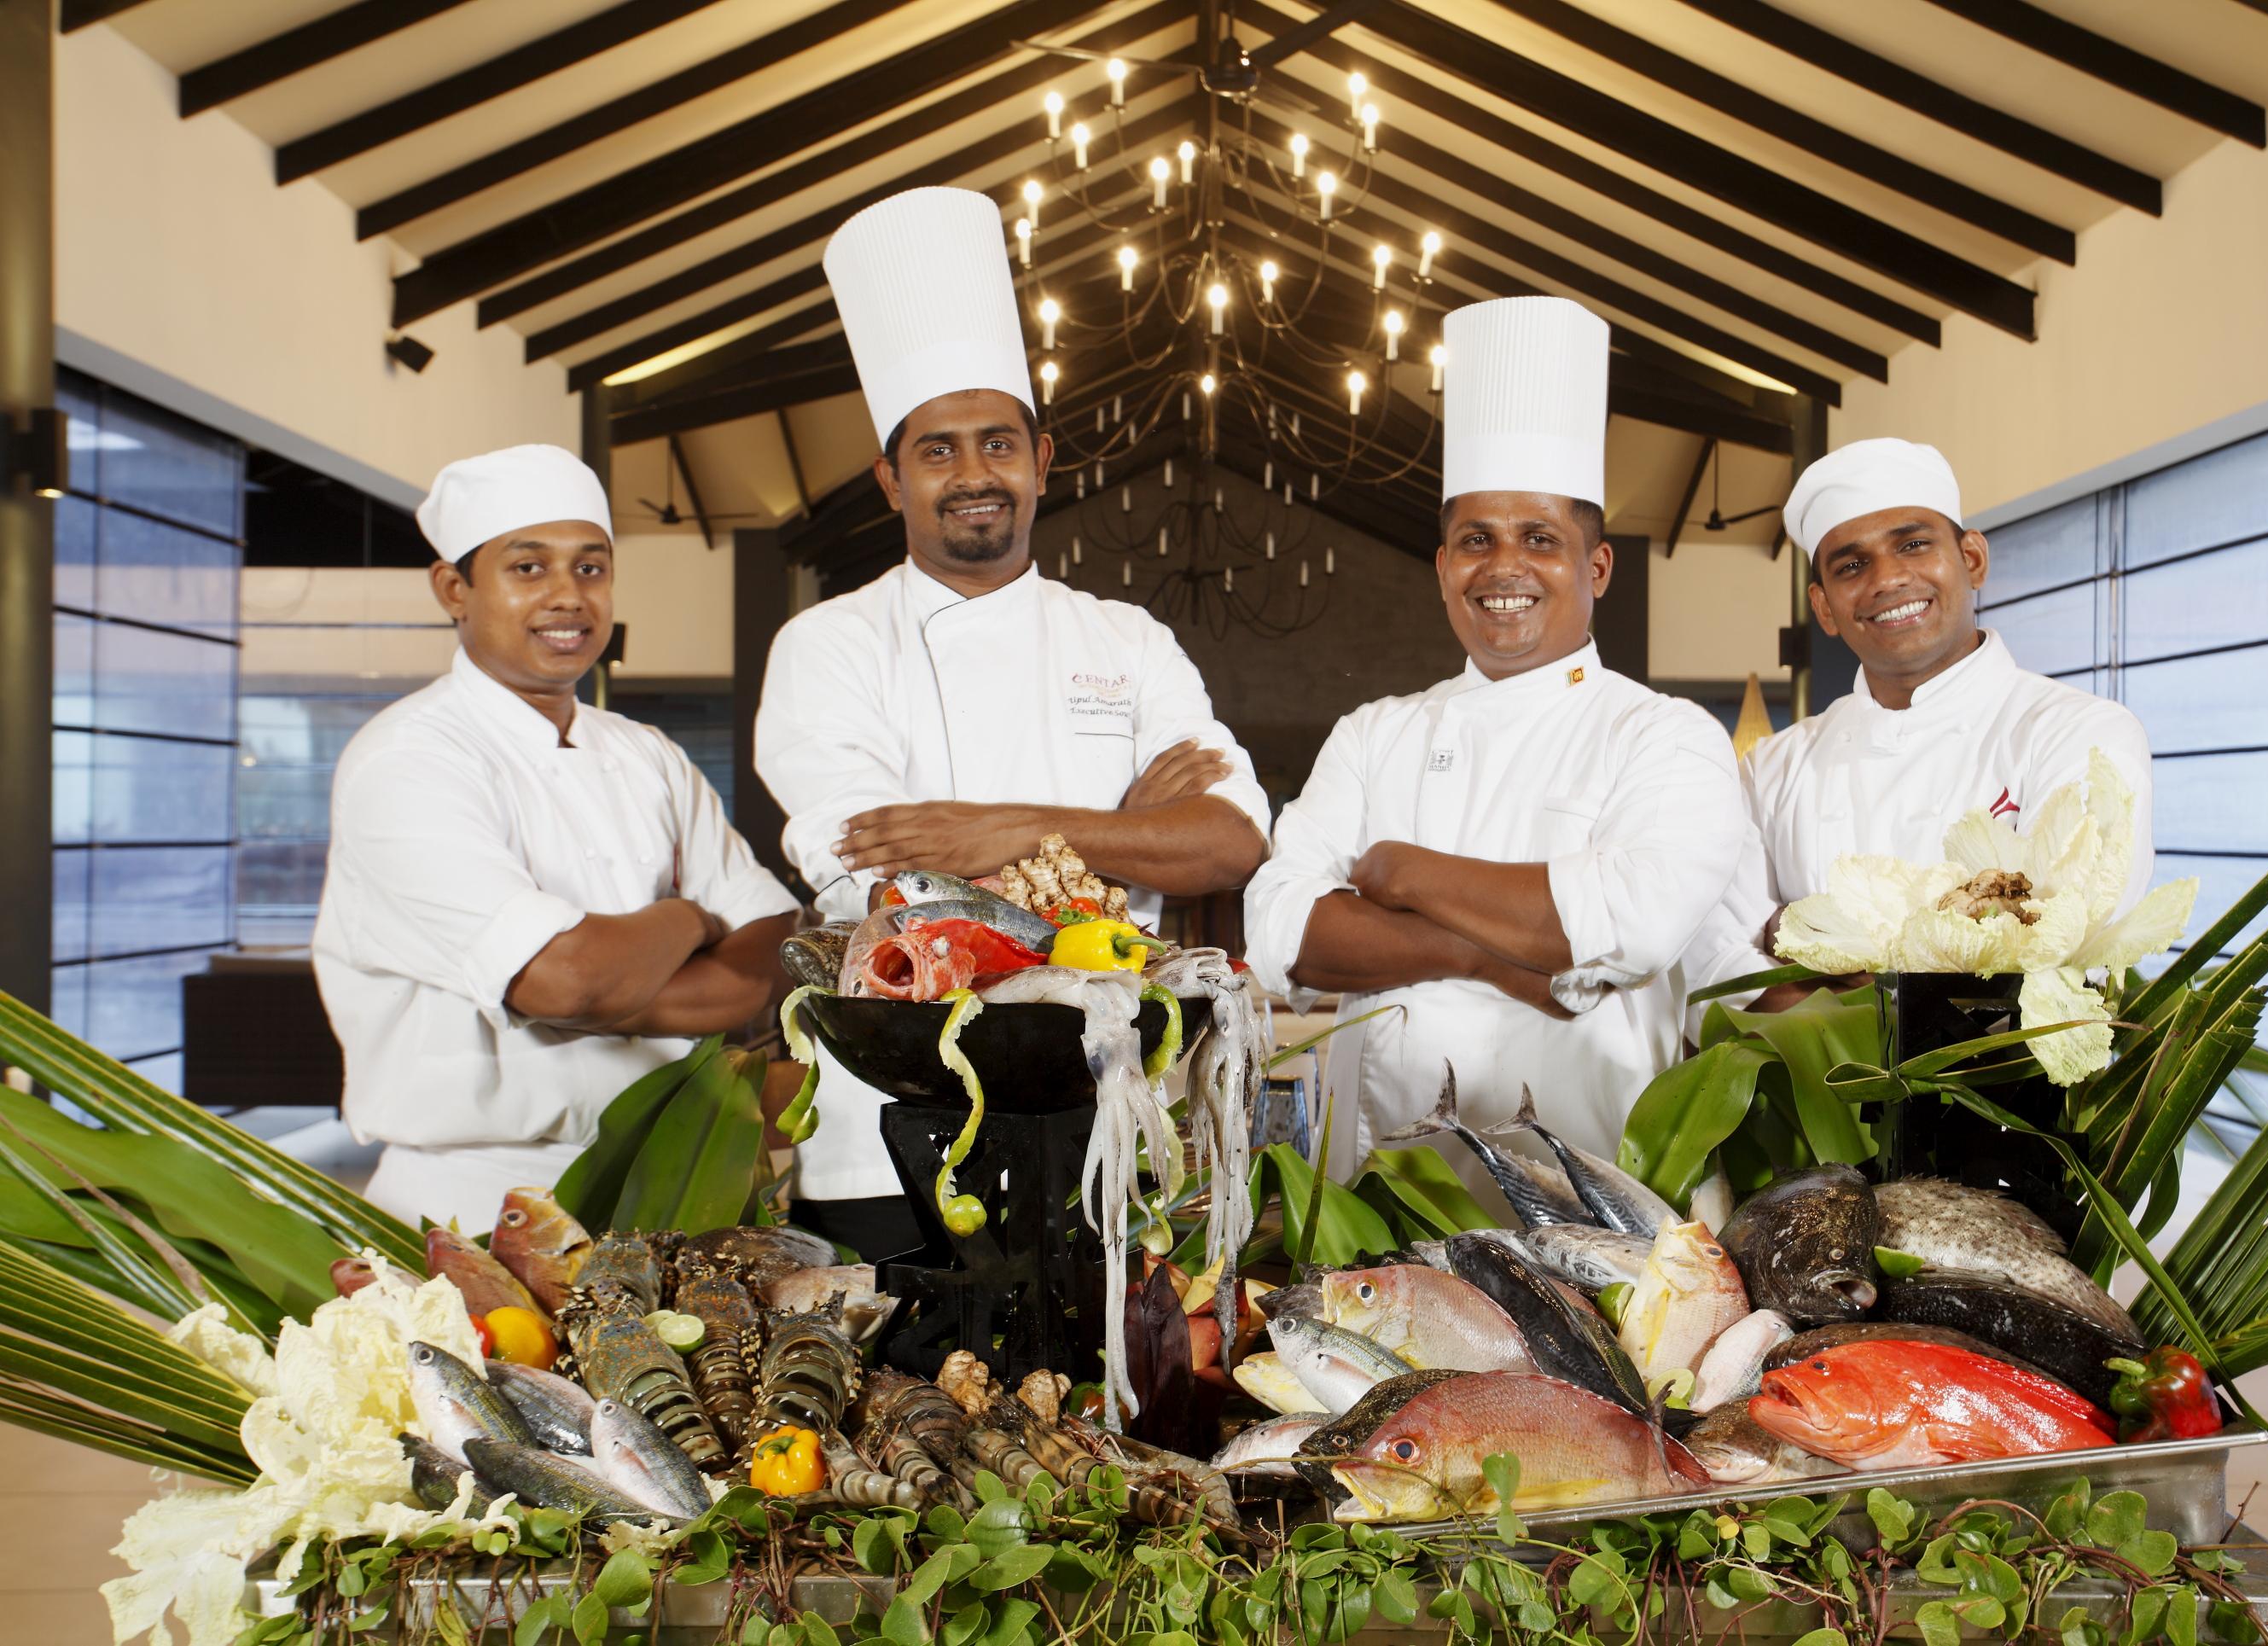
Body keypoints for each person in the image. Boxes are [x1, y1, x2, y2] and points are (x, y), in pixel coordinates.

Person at [755, 188, 1271, 1245]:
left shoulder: (1126, 640)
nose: (972, 475)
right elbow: (886, 897)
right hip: (882, 1141)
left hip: (1108, 1115)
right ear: (890, 479)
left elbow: (1230, 840)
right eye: (937, 451)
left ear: (1041, 462)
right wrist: (1121, 855)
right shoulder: (829, 647)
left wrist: (1008, 834)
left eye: (997, 442)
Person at [1242, 295, 1748, 1191]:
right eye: (1474, 540)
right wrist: (1479, 953)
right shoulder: (1375, 733)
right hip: (1383, 1205)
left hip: (1601, 1211)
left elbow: (1625, 925)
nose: (1502, 567)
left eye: (1539, 540)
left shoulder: (1664, 734)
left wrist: (1398, 875)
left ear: (1594, 568)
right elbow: (1282, 932)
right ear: (1443, 568)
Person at [313, 445, 800, 1231]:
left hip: (674, 1180)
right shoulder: (408, 758)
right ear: (454, 588)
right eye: (528, 568)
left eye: (591, 568)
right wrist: (690, 922)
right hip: (477, 1199)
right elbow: (566, 981)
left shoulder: (647, 753)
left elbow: (771, 946)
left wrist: (613, 982)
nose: (568, 597)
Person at [1689, 438, 2156, 1012]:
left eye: (1912, 544)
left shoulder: (2081, 735)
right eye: (1852, 565)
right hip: (1794, 1100)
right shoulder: (1771, 768)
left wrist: (1794, 932)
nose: (1887, 579)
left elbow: (2049, 964)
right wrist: (1938, 958)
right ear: (1825, 607)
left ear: (1972, 559)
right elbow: (1707, 968)